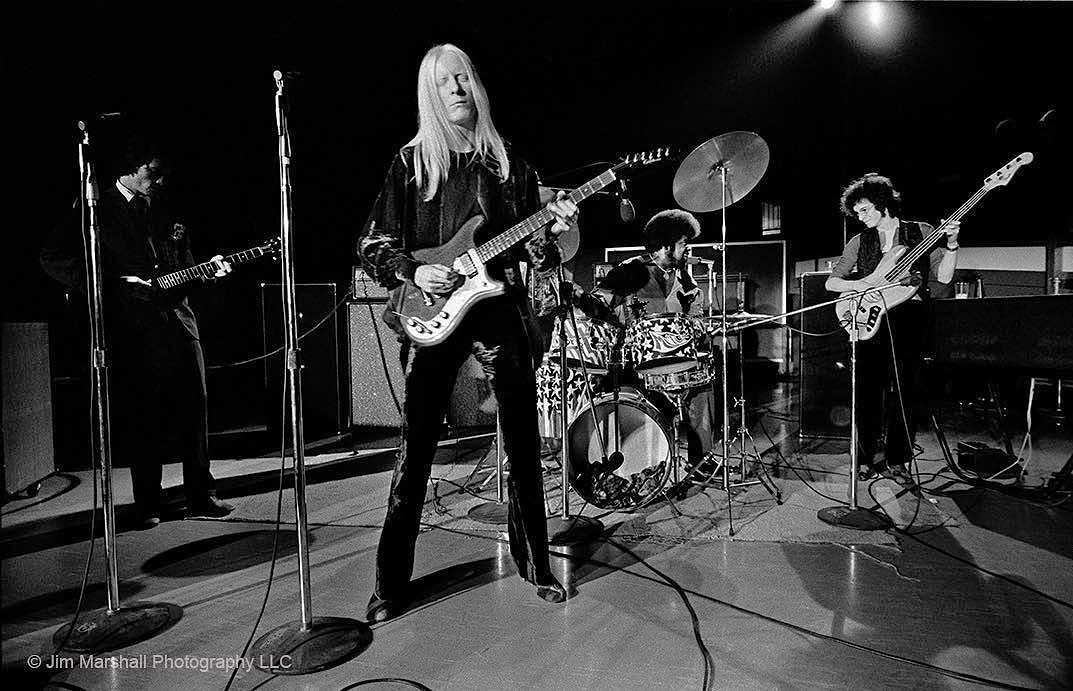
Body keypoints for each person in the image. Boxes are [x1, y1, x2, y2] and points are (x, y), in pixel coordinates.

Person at [356, 43, 578, 622]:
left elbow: (537, 254)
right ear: (429, 94)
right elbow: (371, 243)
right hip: (432, 310)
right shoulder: (412, 163)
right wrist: (412, 270)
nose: (456, 88)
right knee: (416, 447)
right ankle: (389, 583)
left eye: (462, 77)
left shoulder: (509, 164)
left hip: (499, 307)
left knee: (523, 440)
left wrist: (552, 232)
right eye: (443, 81)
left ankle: (536, 564)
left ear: (475, 83)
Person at [40, 134, 234, 529]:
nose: (161, 181)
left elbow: (184, 264)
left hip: (179, 320)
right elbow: (53, 258)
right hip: (132, 328)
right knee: (144, 415)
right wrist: (110, 287)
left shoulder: (167, 207)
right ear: (131, 167)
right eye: (154, 172)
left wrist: (208, 272)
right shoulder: (94, 208)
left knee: (195, 408)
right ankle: (147, 502)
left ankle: (200, 494)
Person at [825, 172, 959, 481]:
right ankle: (864, 459)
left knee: (904, 392)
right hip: (869, 319)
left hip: (909, 317)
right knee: (866, 392)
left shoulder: (921, 231)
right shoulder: (859, 241)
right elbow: (833, 282)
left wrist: (952, 244)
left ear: (882, 203)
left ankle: (898, 460)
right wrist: (864, 283)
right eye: (857, 212)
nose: (860, 217)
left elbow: (943, 277)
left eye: (864, 210)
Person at [599, 209, 717, 462]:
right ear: (665, 245)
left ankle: (701, 461)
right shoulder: (631, 270)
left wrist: (698, 325)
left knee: (703, 384)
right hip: (636, 363)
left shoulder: (685, 278)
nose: (687, 249)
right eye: (683, 243)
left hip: (676, 359)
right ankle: (651, 461)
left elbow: (695, 317)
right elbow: (600, 303)